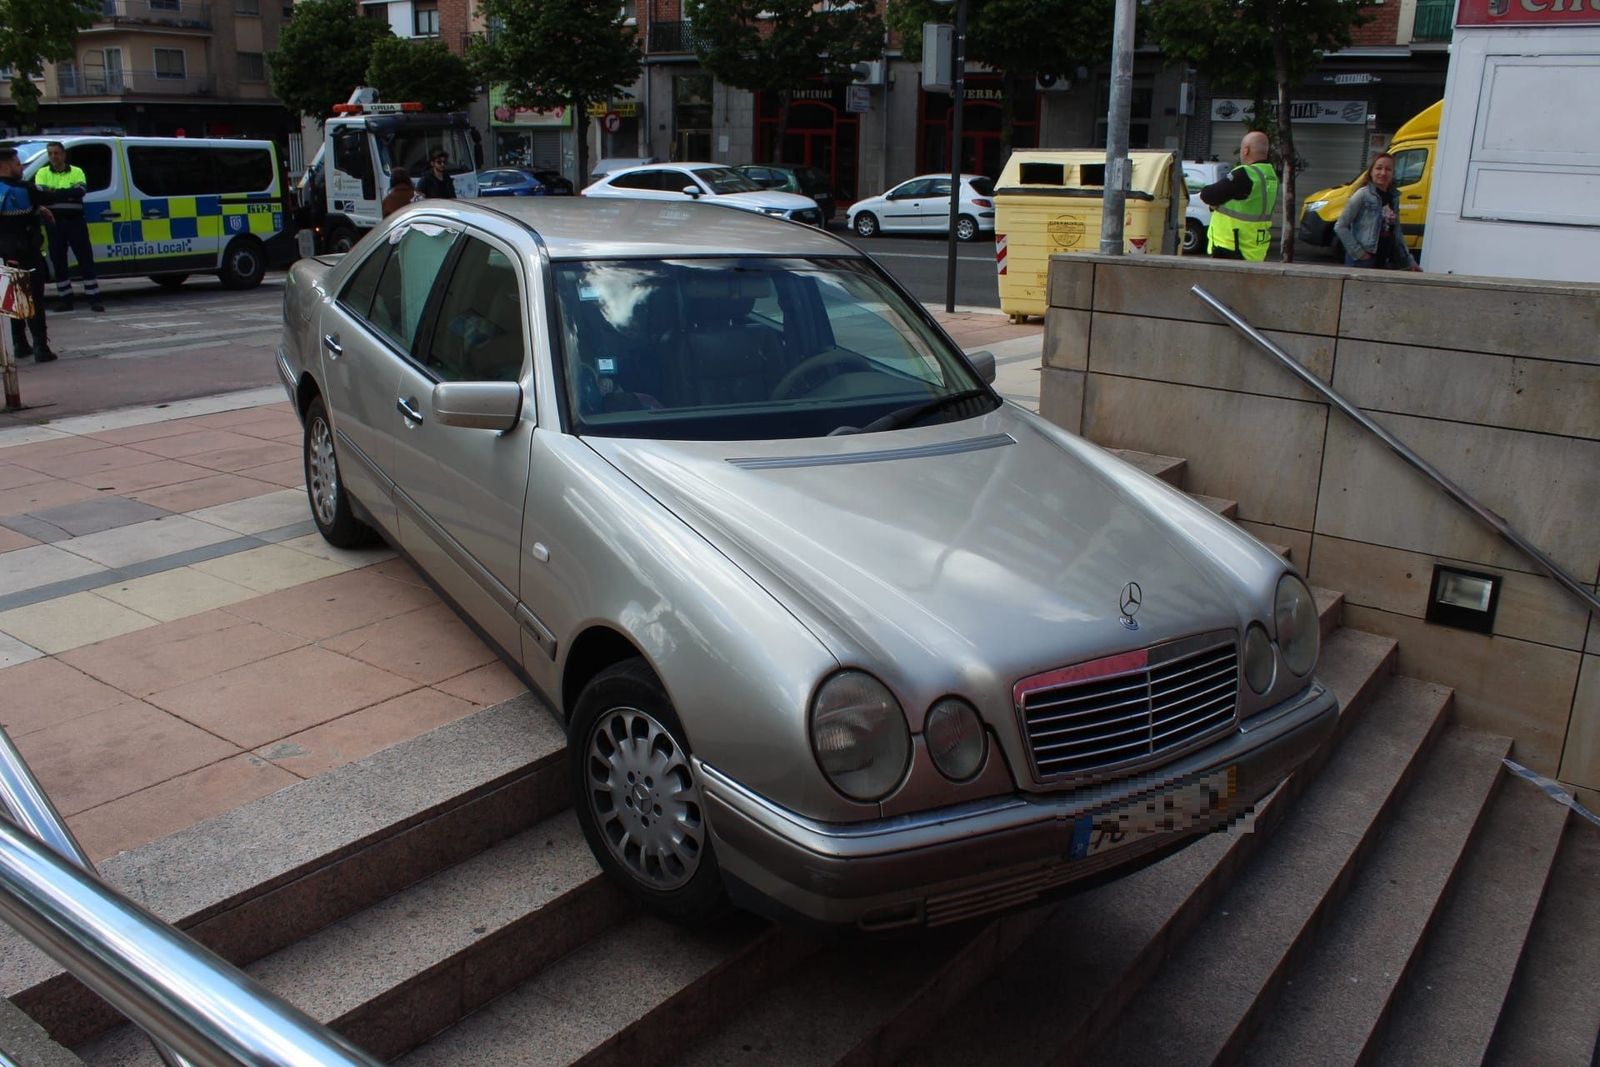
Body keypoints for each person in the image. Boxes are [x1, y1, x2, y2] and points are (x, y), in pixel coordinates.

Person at [0, 148, 56, 363]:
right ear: (5, 165)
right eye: (17, 163)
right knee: (33, 299)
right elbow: (49, 196)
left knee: (11, 300)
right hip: (25, 250)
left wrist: (37, 208)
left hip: (3, 253)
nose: (20, 167)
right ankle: (41, 346)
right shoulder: (24, 189)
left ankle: (19, 343)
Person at [33, 142, 104, 312]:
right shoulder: (42, 172)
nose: (53, 156)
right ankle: (66, 299)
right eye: (50, 153)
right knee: (59, 261)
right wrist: (66, 193)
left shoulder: (76, 171)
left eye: (56, 153)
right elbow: (41, 194)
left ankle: (94, 298)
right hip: (54, 223)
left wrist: (54, 194)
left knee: (85, 259)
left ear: (64, 154)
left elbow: (80, 191)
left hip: (75, 221)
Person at [1198, 130, 1280, 261]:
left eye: (1242, 149)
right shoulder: (1270, 176)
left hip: (1232, 248)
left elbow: (1208, 195)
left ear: (1246, 150)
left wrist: (1214, 202)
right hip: (1254, 249)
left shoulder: (1245, 174)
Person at [1334, 153, 1422, 272]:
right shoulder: (1362, 195)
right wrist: (1359, 253)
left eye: (1388, 169)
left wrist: (1409, 259)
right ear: (1371, 171)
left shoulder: (1394, 197)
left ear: (1393, 173)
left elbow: (1397, 232)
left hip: (1384, 259)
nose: (1383, 173)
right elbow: (1340, 226)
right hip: (1363, 261)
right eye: (1379, 168)